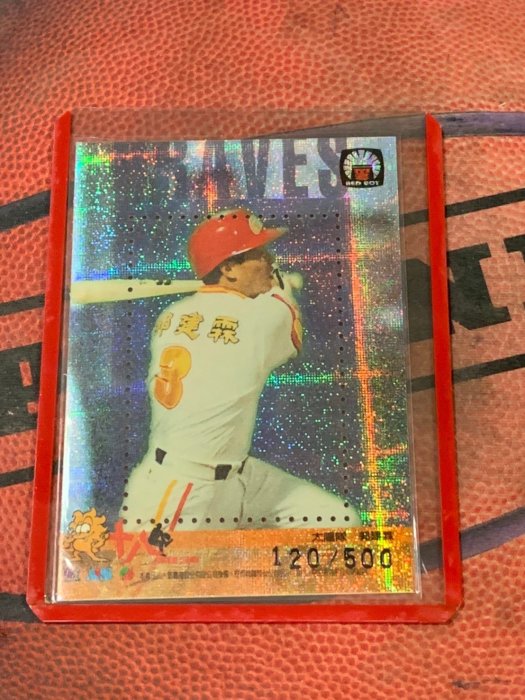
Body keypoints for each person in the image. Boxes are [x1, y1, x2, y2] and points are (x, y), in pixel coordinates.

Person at [120, 209, 360, 533]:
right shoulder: (262, 318)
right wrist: (281, 287)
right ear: (229, 269)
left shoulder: (173, 314)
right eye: (257, 254)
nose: (270, 260)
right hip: (183, 493)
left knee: (338, 520)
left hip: (238, 477)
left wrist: (270, 290)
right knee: (163, 567)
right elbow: (283, 314)